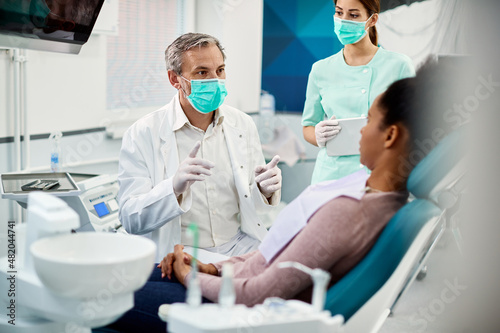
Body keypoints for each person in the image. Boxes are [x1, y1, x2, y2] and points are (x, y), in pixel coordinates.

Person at [103, 60, 453, 333]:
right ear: (175, 78)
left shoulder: (350, 211)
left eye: (369, 120)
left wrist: (187, 274)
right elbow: (267, 261)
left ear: (391, 135)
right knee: (129, 274)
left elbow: (256, 294)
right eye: (202, 72)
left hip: (233, 313)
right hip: (228, 275)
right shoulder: (374, 197)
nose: (360, 130)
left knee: (97, 296)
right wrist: (205, 264)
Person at [117, 33, 282, 261]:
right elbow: (130, 219)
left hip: (239, 248)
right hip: (183, 256)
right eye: (202, 72)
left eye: (220, 70)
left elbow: (254, 208)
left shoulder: (242, 124)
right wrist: (173, 189)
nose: (215, 80)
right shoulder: (143, 133)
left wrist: (263, 191)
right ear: (175, 80)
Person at [302, 0, 415, 184]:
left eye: (353, 15)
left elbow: (413, 126)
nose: (343, 20)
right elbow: (308, 126)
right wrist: (317, 135)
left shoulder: (399, 66)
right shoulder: (320, 70)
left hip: (381, 175)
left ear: (372, 20)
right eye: (339, 13)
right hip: (331, 178)